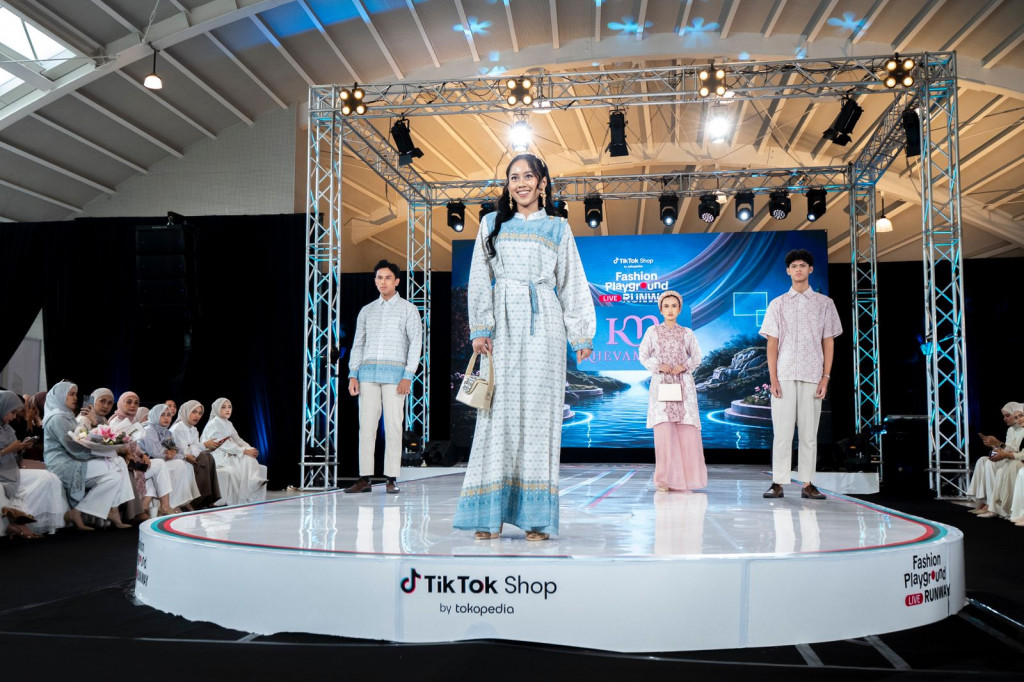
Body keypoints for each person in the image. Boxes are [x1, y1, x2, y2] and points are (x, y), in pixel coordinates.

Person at [453, 152, 596, 541]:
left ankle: (536, 518)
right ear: (508, 185)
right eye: (514, 177)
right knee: (496, 415)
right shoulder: (490, 224)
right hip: (502, 324)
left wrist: (581, 335)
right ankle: (490, 515)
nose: (521, 183)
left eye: (528, 176)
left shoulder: (558, 228)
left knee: (540, 417)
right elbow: (479, 276)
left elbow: (572, 281)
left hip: (545, 324)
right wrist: (481, 327)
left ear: (542, 182)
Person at [759, 249, 842, 500]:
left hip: (813, 374)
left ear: (810, 269)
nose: (798, 269)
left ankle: (807, 483)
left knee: (808, 434)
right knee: (782, 433)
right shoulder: (777, 304)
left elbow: (828, 341)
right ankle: (778, 482)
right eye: (794, 266)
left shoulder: (825, 304)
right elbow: (772, 343)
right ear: (788, 271)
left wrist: (826, 376)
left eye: (802, 265)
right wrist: (773, 378)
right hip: (784, 375)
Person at [345, 259, 423, 495]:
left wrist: (408, 375)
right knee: (366, 427)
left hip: (396, 377)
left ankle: (391, 478)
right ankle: (364, 478)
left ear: (397, 281)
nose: (383, 282)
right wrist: (353, 374)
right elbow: (358, 344)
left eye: (388, 278)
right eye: (379, 278)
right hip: (367, 375)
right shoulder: (367, 310)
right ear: (375, 281)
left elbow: (416, 344)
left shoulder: (408, 309)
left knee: (393, 426)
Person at [638, 291, 706, 492]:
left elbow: (697, 357)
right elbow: (643, 355)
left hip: (683, 384)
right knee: (664, 432)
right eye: (666, 306)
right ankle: (664, 481)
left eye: (674, 306)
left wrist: (684, 366)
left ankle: (688, 480)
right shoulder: (652, 331)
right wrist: (658, 365)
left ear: (679, 309)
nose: (670, 310)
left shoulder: (687, 333)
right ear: (660, 310)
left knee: (686, 431)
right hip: (662, 384)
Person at [41, 381, 133, 529]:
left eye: (75, 394)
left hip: (75, 459)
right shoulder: (57, 419)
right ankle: (113, 509)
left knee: (115, 477)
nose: (75, 398)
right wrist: (103, 452)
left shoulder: (67, 416)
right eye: (71, 394)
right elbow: (74, 447)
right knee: (118, 464)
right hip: (64, 463)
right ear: (60, 396)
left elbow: (81, 440)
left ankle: (78, 511)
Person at [0, 391, 69, 538]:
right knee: (44, 477)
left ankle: (23, 515)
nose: (14, 417)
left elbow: (15, 457)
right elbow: (6, 452)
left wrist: (21, 449)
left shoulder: (7, 429)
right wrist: (8, 450)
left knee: (49, 478)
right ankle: (18, 518)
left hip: (11, 469)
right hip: (3, 471)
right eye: (12, 412)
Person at [200, 397, 267, 506]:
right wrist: (244, 451)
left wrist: (249, 448)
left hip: (230, 451)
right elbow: (222, 444)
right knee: (244, 457)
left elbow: (238, 439)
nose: (227, 410)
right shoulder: (213, 424)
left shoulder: (228, 423)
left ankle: (254, 480)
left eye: (229, 407)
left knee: (248, 456)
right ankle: (251, 483)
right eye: (223, 407)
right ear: (217, 409)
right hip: (217, 454)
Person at [967, 402, 1022, 516]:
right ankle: (983, 502)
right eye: (1004, 416)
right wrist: (994, 446)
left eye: (1008, 415)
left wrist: (998, 443)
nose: (1005, 419)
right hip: (1010, 458)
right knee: (982, 460)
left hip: (1016, 460)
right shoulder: (1011, 430)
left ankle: (992, 506)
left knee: (989, 463)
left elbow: (1017, 451)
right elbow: (1006, 448)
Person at [142, 404, 199, 513]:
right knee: (178, 464)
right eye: (162, 415)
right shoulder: (149, 429)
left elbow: (178, 450)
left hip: (160, 463)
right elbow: (156, 453)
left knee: (180, 464)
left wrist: (173, 452)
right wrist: (173, 454)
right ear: (155, 415)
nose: (166, 418)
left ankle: (173, 503)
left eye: (168, 415)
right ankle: (169, 505)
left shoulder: (167, 432)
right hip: (147, 464)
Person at [170, 400, 221, 509]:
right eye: (194, 412)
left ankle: (209, 498)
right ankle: (197, 501)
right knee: (202, 458)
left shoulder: (193, 429)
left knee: (209, 457)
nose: (197, 416)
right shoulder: (178, 428)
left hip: (189, 456)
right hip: (179, 459)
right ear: (186, 411)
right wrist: (203, 445)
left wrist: (207, 447)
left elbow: (194, 447)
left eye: (200, 413)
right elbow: (184, 451)